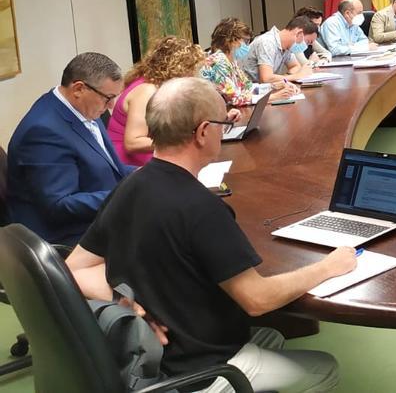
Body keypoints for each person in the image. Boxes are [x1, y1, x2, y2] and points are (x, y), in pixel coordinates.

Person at [66, 77, 355, 392]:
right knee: (326, 368)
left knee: (272, 338)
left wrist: (126, 303)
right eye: (221, 123)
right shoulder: (201, 207)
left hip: (152, 353)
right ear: (203, 132)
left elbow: (74, 268)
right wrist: (329, 266)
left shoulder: (129, 186)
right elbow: (257, 300)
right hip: (199, 368)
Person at [7, 53, 134, 245]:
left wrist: (147, 174)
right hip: (69, 237)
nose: (111, 106)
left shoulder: (83, 108)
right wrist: (128, 195)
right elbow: (59, 205)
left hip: (99, 217)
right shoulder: (43, 131)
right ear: (79, 88)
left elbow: (110, 169)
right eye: (108, 98)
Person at [108, 36, 211, 168]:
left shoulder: (159, 87)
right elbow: (133, 143)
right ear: (177, 68)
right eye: (190, 70)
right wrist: (178, 143)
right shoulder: (146, 91)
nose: (192, 76)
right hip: (129, 166)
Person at [200, 17, 298, 107]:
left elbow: (248, 88)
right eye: (246, 41)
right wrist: (273, 97)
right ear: (232, 40)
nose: (248, 45)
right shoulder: (218, 62)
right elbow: (235, 99)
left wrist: (274, 86)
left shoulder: (232, 62)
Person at [238, 16, 315, 85]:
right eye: (308, 42)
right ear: (299, 33)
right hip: (248, 92)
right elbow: (265, 79)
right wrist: (296, 76)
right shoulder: (267, 42)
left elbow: (295, 66)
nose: (306, 46)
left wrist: (285, 78)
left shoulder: (287, 46)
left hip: (265, 90)